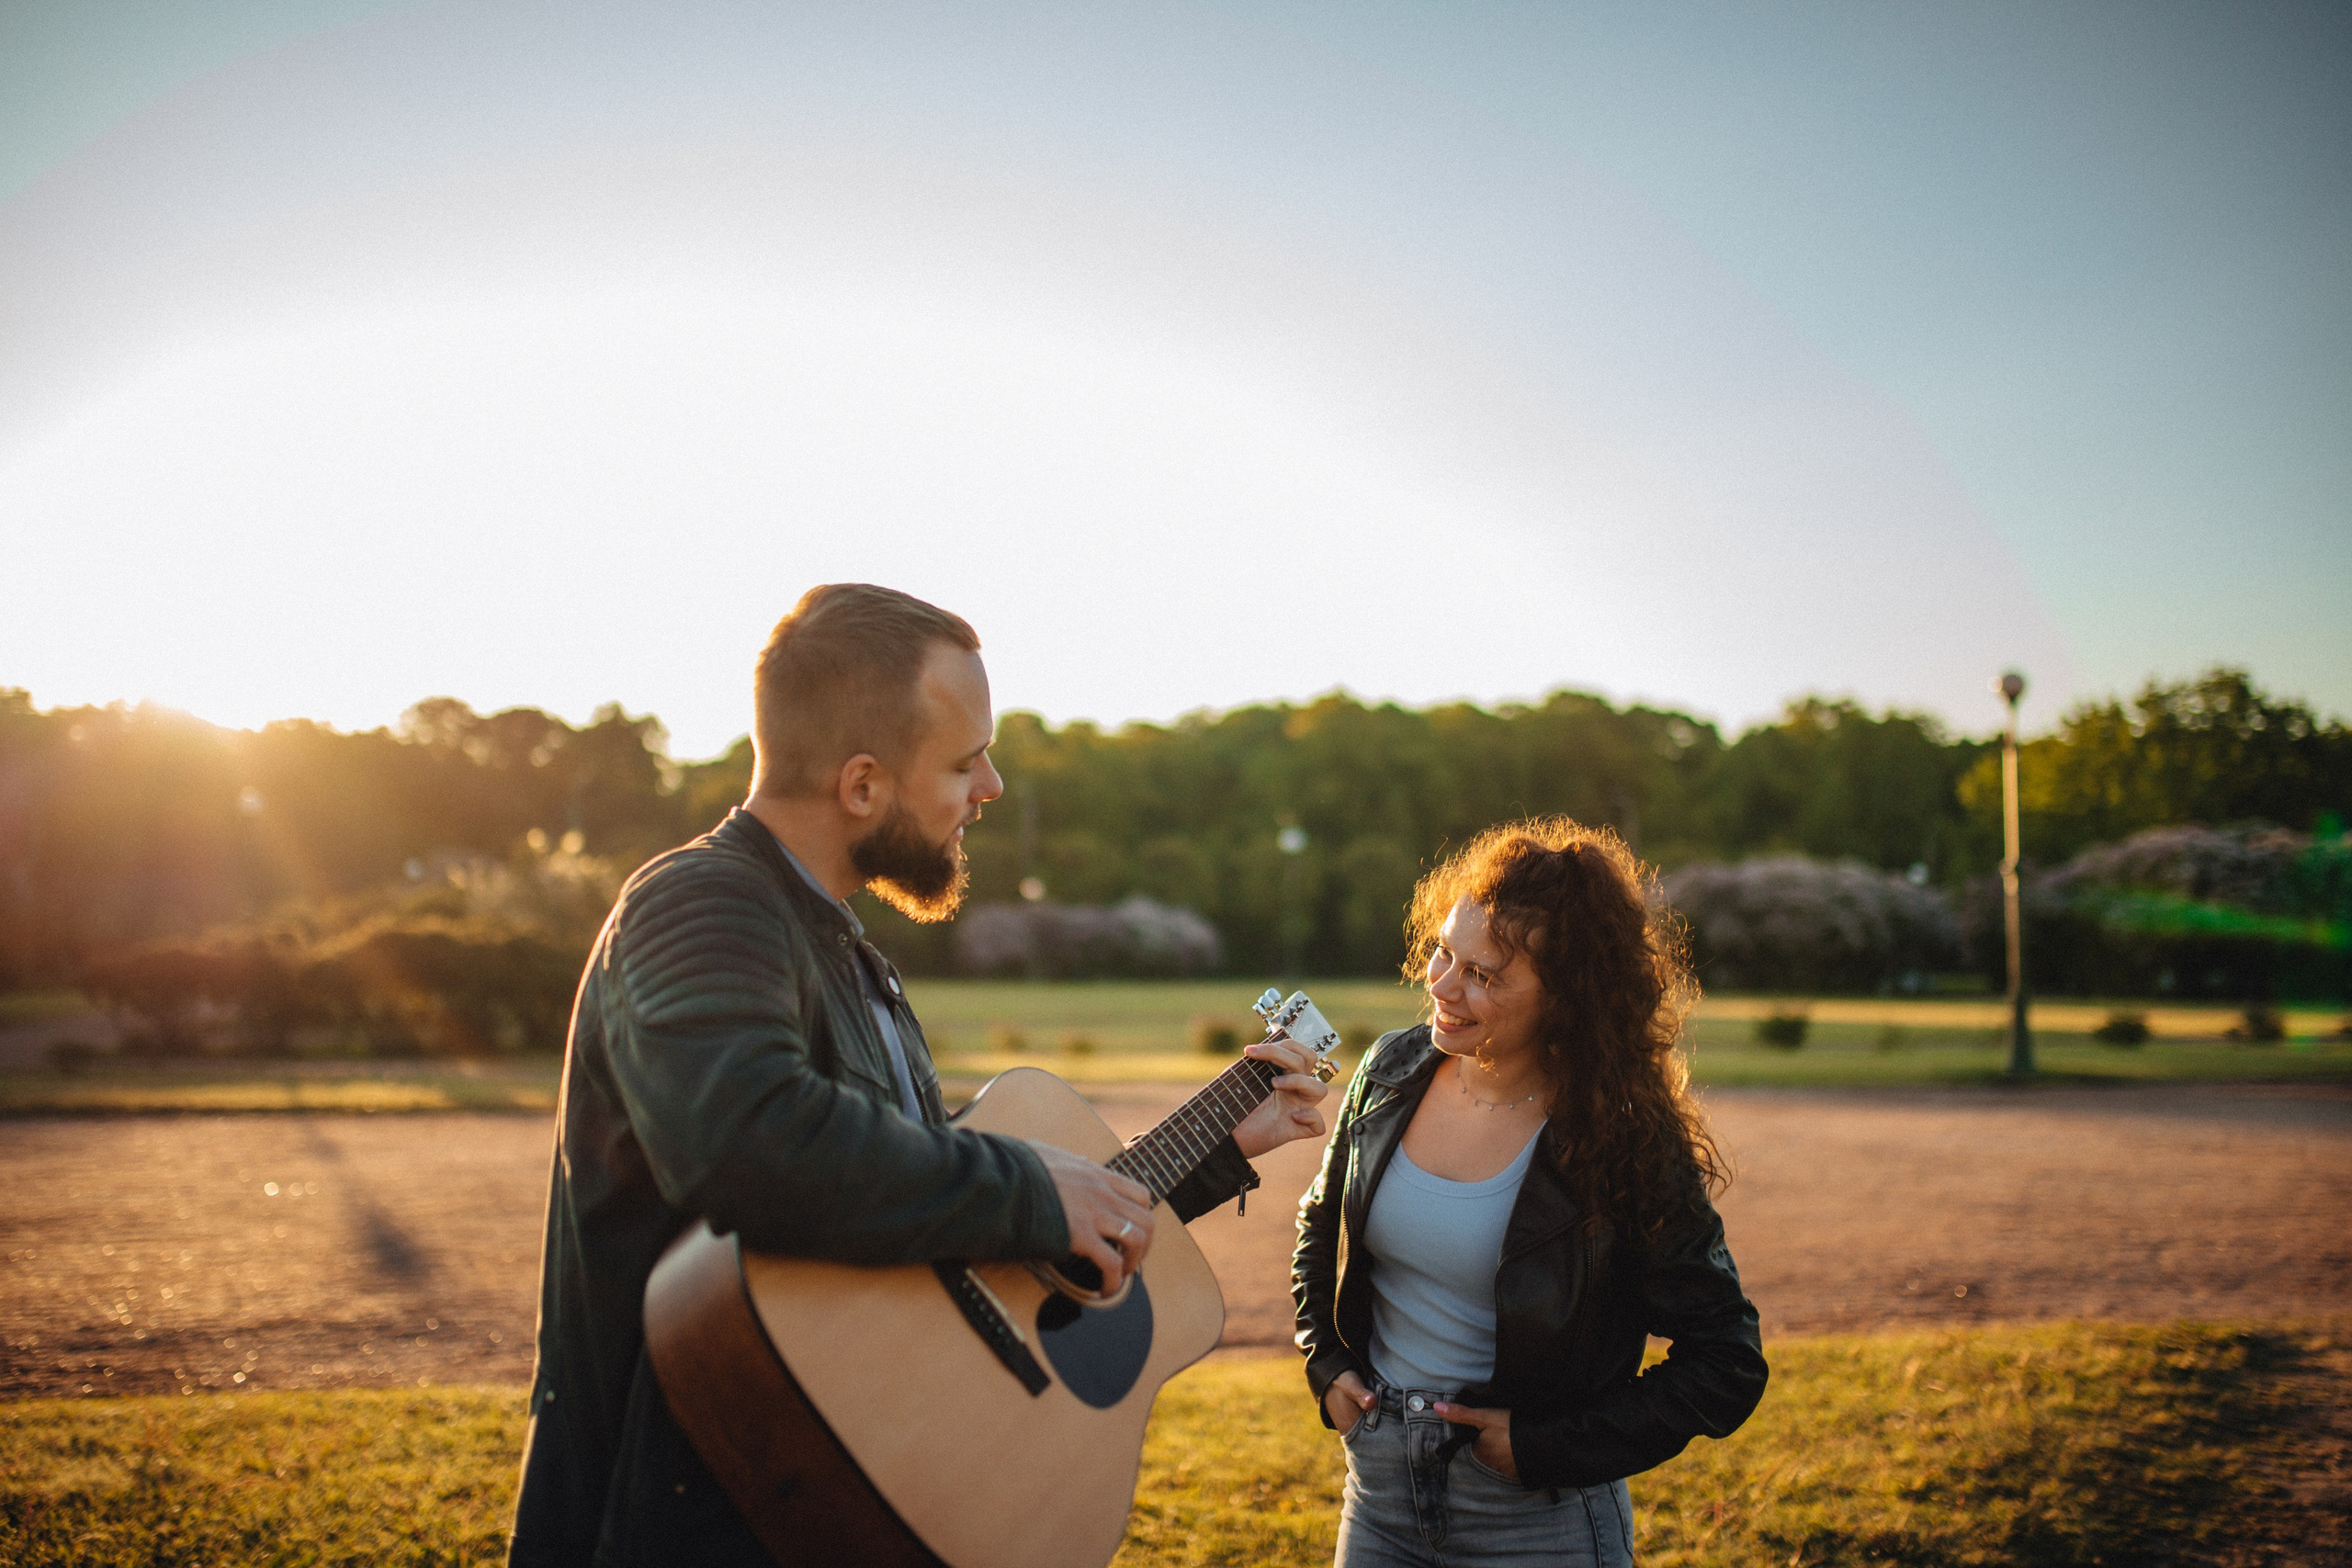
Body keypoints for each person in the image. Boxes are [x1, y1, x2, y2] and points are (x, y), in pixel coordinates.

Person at [508, 583, 1331, 1567]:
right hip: (662, 1524)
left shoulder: (854, 963)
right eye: (963, 759)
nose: (989, 786)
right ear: (862, 785)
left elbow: (926, 1233)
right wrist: (1029, 1188)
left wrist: (1205, 1155)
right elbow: (750, 1142)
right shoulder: (699, 905)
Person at [1292, 818, 1766, 1567]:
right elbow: (1320, 1220)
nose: (1443, 986)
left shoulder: (1620, 1135)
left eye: (1483, 974)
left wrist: (1547, 1446)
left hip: (1537, 1519)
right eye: (1444, 953)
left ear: (1567, 998)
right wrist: (1326, 1362)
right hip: (1378, 1499)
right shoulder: (1391, 1069)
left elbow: (1726, 1360)